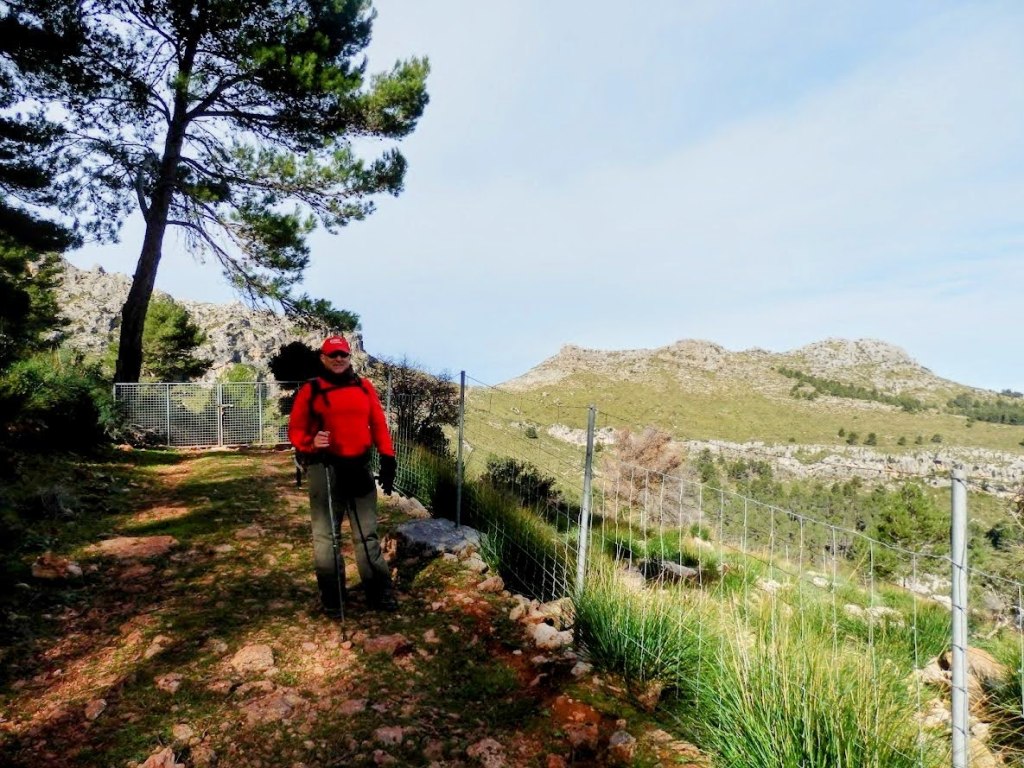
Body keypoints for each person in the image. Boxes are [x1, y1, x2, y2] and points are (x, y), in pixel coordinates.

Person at [288, 335, 399, 615]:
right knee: (327, 537)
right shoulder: (311, 390)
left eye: (343, 355)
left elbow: (377, 423)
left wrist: (388, 458)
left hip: (359, 467)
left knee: (367, 535)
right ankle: (333, 599)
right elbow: (296, 430)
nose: (338, 359)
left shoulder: (364, 387)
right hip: (325, 469)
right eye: (332, 355)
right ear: (323, 358)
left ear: (350, 357)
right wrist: (311, 443)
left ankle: (380, 594)